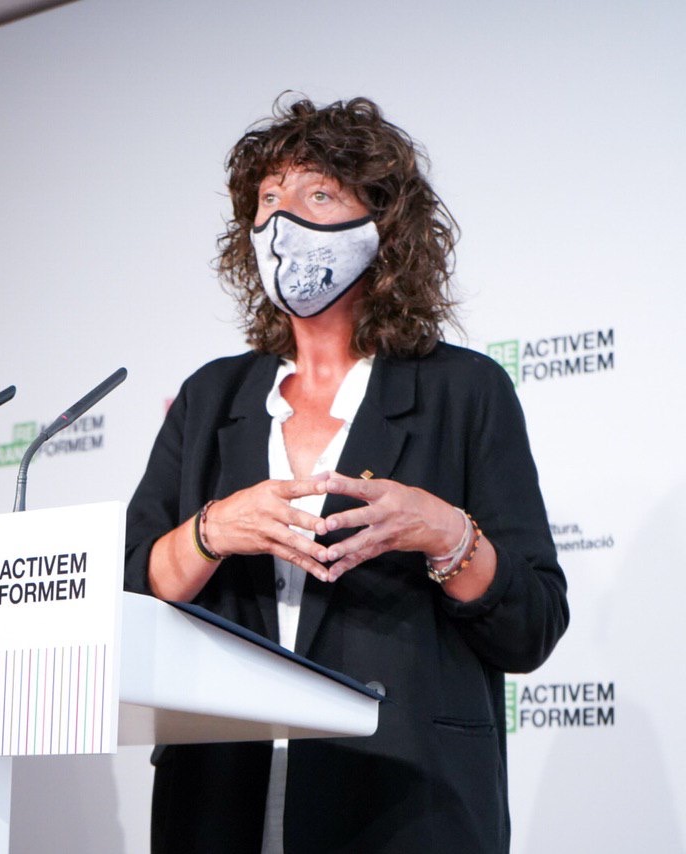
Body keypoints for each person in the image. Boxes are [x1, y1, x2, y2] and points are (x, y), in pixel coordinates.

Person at [125, 97, 569, 853]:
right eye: (268, 198)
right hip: (217, 804)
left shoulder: (465, 392)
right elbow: (129, 594)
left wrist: (447, 534)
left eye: (318, 195)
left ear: (384, 225)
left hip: (405, 803)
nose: (281, 220)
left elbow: (533, 626)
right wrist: (212, 532)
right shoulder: (210, 398)